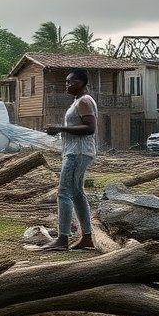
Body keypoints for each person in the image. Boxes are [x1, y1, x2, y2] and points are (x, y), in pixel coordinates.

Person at [43, 68, 98, 251]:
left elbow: (90, 128)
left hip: (78, 152)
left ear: (81, 83)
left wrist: (61, 128)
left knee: (64, 192)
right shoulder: (78, 101)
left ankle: (62, 238)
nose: (66, 85)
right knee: (77, 192)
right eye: (66, 82)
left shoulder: (84, 101)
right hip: (76, 151)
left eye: (70, 82)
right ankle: (87, 237)